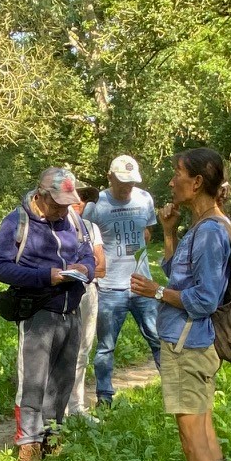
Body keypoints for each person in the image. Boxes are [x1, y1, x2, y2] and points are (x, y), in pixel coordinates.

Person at [132, 147, 231, 461]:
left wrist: (154, 292)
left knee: (193, 440)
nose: (172, 180)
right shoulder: (204, 226)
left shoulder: (210, 232)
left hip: (186, 344)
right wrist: (170, 232)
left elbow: (204, 298)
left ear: (197, 182)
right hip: (193, 342)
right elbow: (181, 273)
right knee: (204, 431)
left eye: (177, 173)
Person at [0, 167, 96, 461]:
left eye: (68, 204)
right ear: (41, 195)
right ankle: (28, 444)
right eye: (58, 204)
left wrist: (85, 268)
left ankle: (51, 435)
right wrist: (45, 276)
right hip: (38, 310)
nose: (64, 210)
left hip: (71, 309)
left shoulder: (73, 219)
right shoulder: (17, 221)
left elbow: (87, 252)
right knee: (33, 381)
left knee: (63, 378)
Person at [86, 154, 163, 405]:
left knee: (158, 339)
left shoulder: (144, 199)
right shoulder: (96, 205)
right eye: (122, 181)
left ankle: (174, 388)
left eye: (131, 181)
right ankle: (104, 398)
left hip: (143, 285)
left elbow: (147, 232)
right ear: (109, 177)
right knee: (106, 346)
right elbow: (87, 243)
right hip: (109, 289)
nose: (127, 186)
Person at [69, 216, 106, 416]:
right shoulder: (51, 223)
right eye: (77, 196)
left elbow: (101, 268)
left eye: (84, 198)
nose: (79, 202)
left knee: (82, 350)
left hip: (88, 292)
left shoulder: (91, 228)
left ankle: (76, 407)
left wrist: (80, 270)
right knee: (58, 352)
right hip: (60, 293)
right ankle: (53, 411)